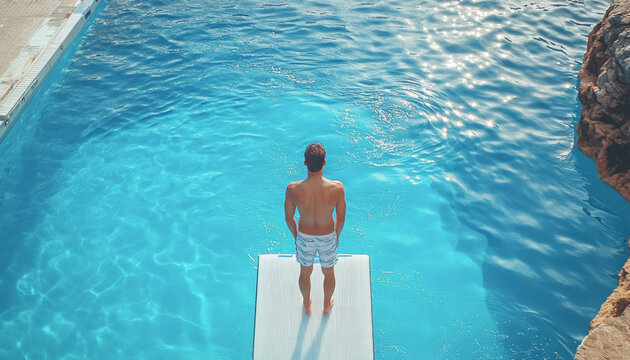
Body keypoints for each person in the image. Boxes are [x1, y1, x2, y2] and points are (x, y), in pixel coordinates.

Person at [284, 142, 346, 315]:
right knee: (329, 273)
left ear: (305, 163)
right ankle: (326, 305)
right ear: (324, 162)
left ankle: (307, 303)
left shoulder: (293, 189)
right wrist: (336, 236)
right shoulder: (337, 188)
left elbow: (289, 218)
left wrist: (296, 235)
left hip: (305, 236)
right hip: (328, 236)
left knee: (305, 273)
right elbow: (341, 219)